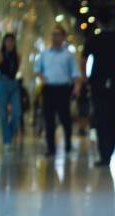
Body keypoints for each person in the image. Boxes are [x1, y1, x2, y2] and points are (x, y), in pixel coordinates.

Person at [81, 8, 115, 167]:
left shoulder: (93, 39)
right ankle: (108, 153)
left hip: (97, 83)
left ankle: (104, 155)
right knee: (113, 120)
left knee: (100, 119)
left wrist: (85, 80)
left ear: (98, 22)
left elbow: (83, 60)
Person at [34, 25, 81, 157]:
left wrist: (77, 88)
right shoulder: (44, 54)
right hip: (49, 89)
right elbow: (37, 69)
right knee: (49, 120)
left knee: (65, 118)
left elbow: (75, 73)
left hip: (63, 90)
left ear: (63, 37)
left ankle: (67, 143)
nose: (55, 37)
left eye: (58, 34)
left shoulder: (68, 55)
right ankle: (51, 148)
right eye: (53, 34)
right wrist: (42, 77)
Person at [0, 33, 21, 150]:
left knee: (17, 113)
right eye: (7, 41)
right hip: (2, 83)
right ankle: (7, 141)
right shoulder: (0, 54)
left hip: (13, 83)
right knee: (3, 113)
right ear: (4, 43)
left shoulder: (18, 56)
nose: (9, 43)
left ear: (14, 43)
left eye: (11, 41)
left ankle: (8, 136)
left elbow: (16, 70)